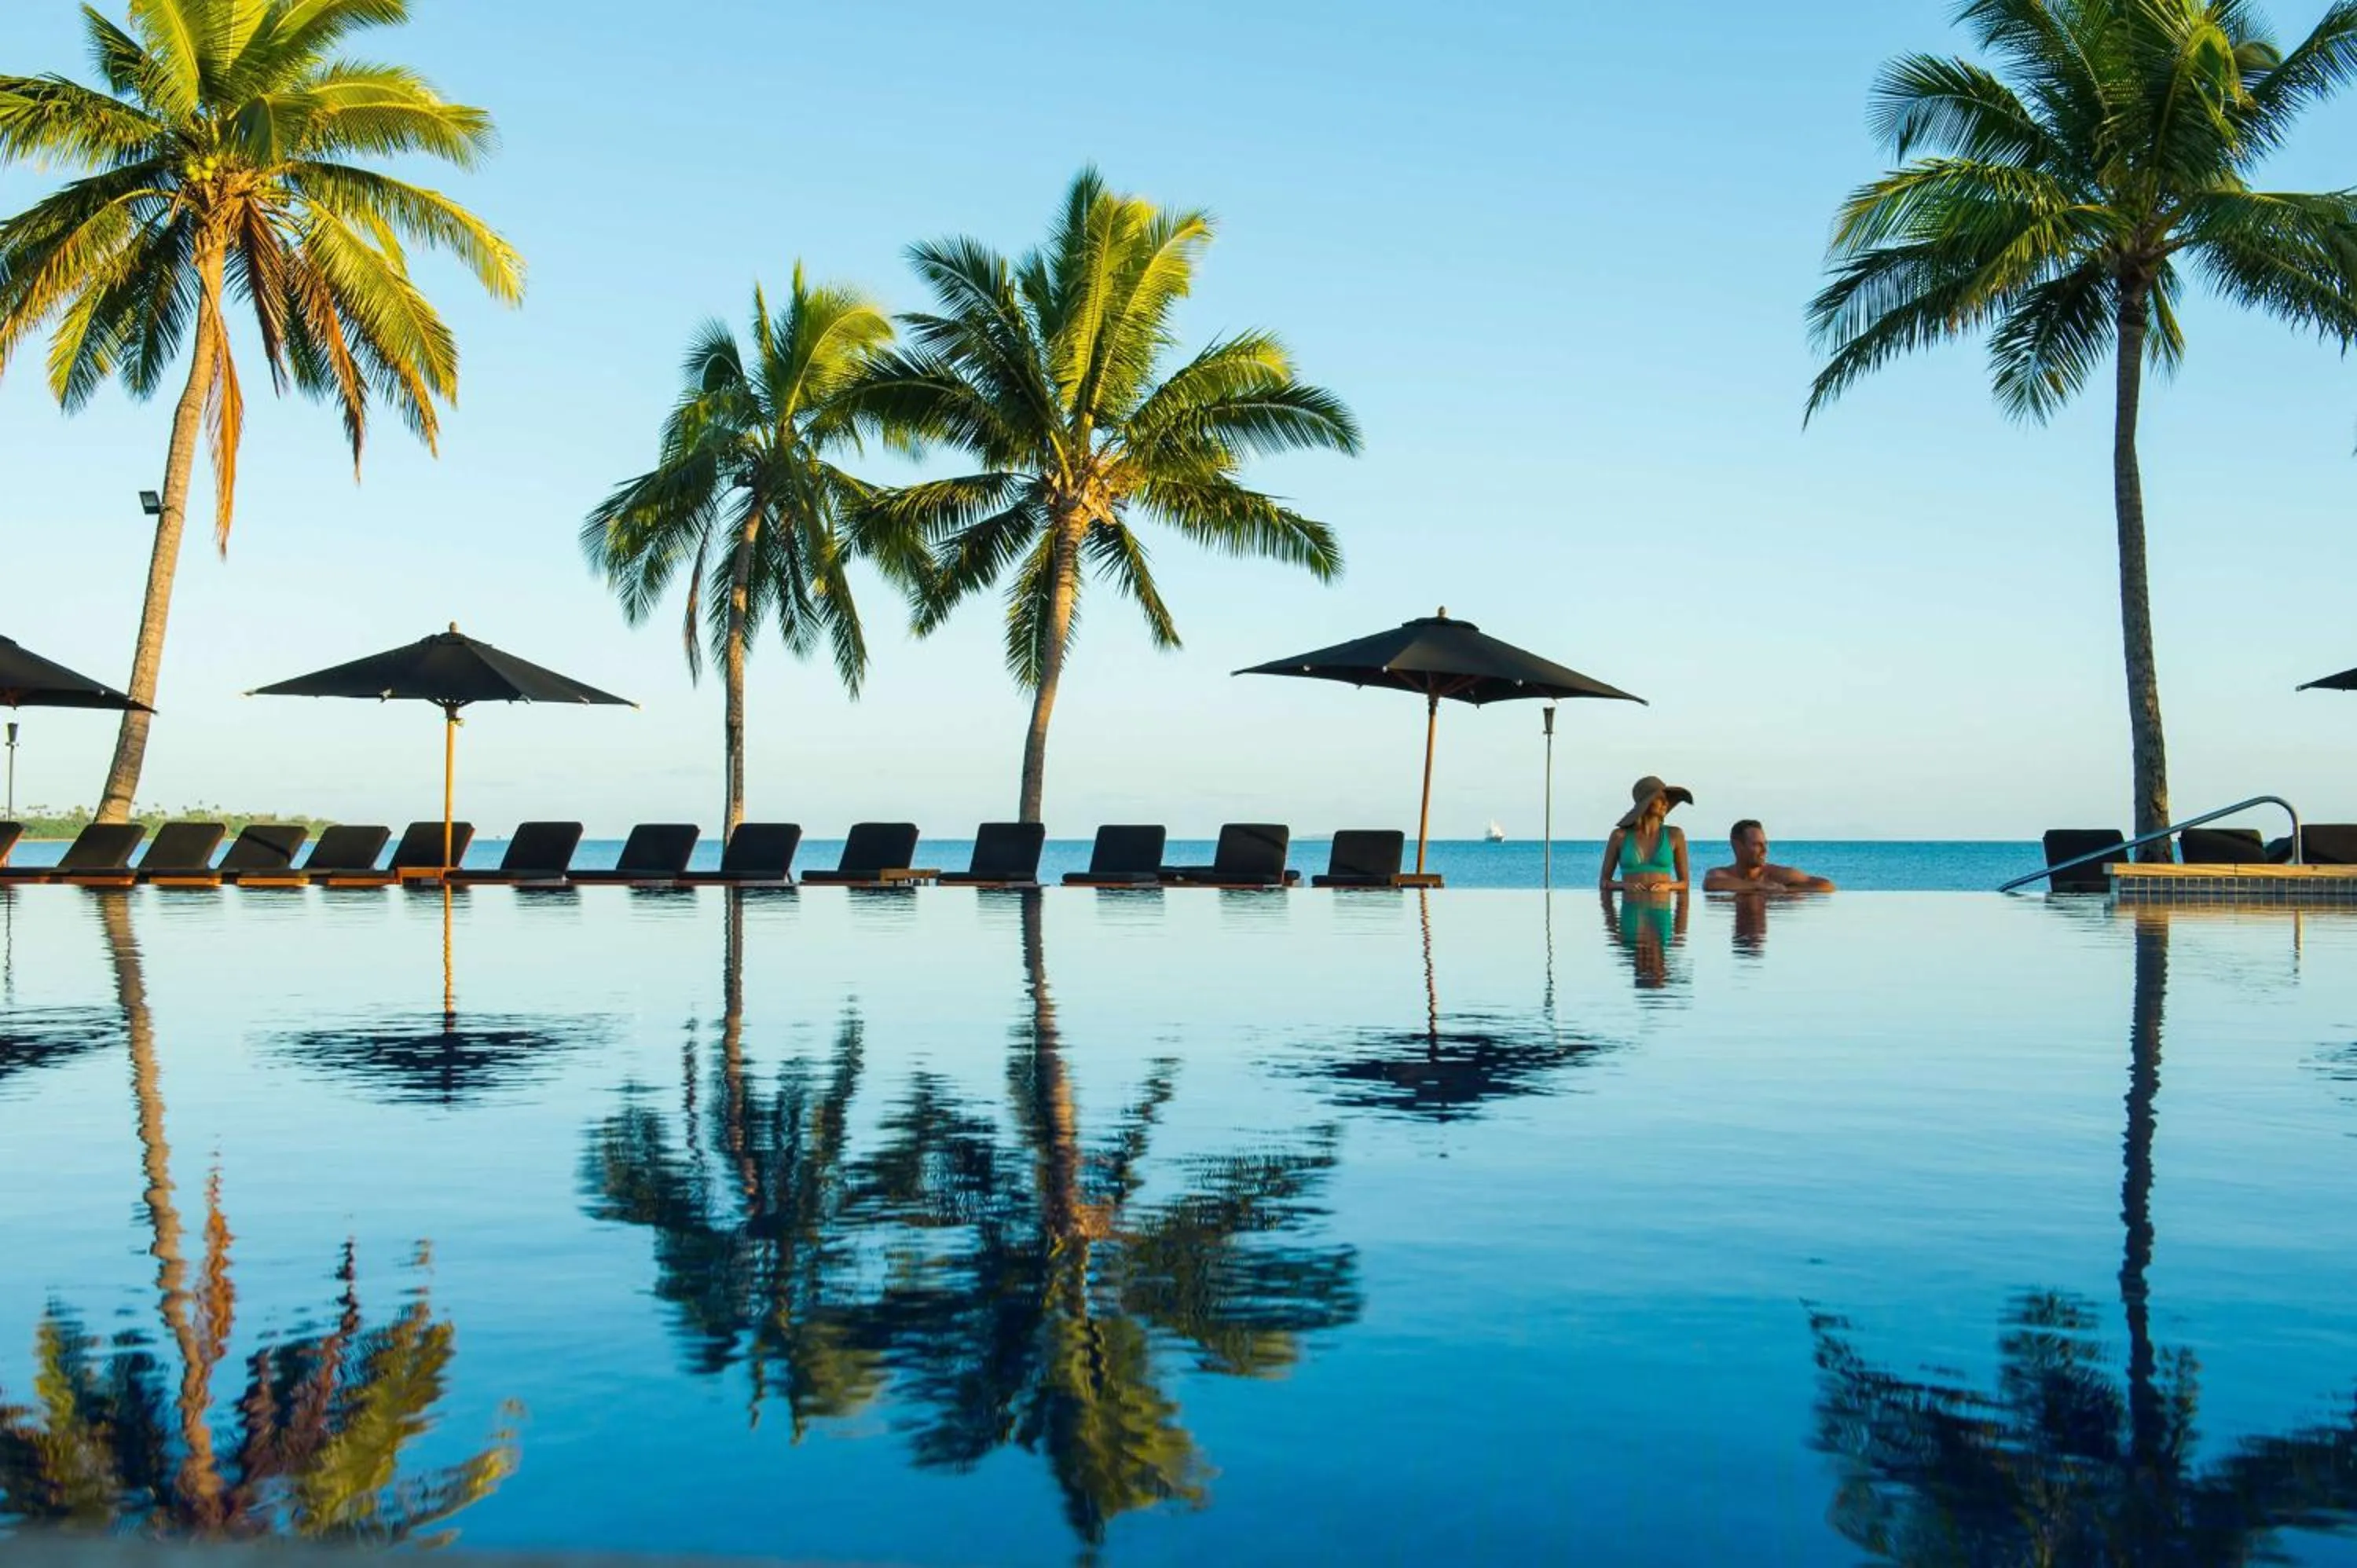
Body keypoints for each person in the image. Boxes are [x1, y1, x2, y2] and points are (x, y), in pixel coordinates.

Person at [1600, 776, 1692, 892]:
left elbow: (1685, 883)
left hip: (1661, 907)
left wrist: (1668, 886)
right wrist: (1624, 885)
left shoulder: (1675, 835)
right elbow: (1604, 882)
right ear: (1646, 803)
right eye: (1660, 798)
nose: (1665, 803)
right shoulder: (1619, 836)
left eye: (1666, 799)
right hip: (1630, 907)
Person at [1703, 819, 1836, 894]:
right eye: (1757, 845)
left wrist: (1787, 890)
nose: (1765, 850)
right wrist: (1759, 887)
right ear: (1737, 846)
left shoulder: (1778, 875)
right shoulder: (1722, 874)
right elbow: (1711, 884)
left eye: (1765, 844)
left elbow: (1827, 885)